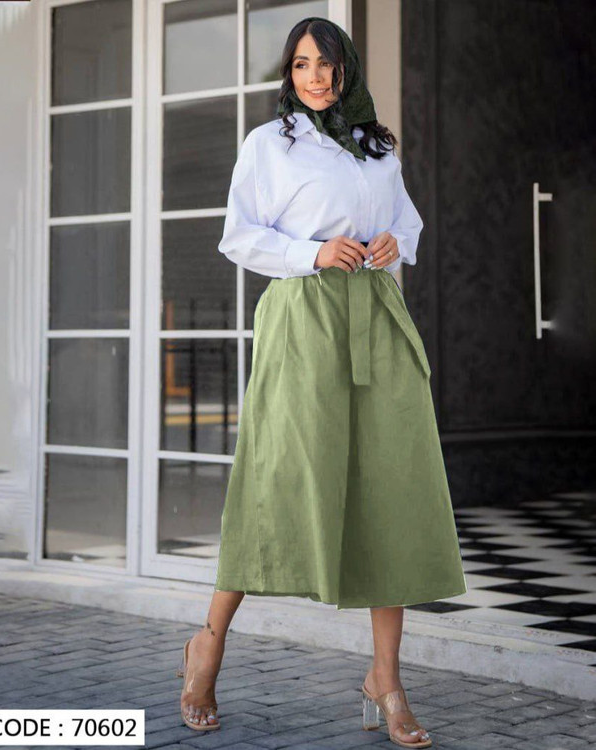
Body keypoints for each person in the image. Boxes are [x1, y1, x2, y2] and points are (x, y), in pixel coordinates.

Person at [177, 17, 467, 748]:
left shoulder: (377, 146)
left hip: (378, 314)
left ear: (346, 70)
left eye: (327, 64)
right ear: (289, 71)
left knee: (391, 488)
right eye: (302, 64)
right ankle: (207, 644)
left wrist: (396, 242)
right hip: (303, 317)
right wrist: (312, 253)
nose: (315, 77)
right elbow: (238, 235)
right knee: (274, 480)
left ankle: (385, 680)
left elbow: (407, 222)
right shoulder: (268, 144)